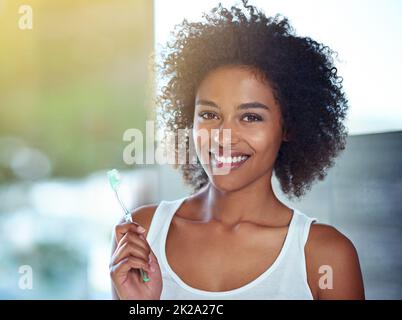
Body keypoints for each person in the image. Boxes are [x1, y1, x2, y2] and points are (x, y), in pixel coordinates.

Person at [109, 0, 364, 300]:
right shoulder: (142, 234)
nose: (223, 137)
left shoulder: (325, 258)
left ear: (288, 127)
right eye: (209, 114)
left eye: (250, 117)